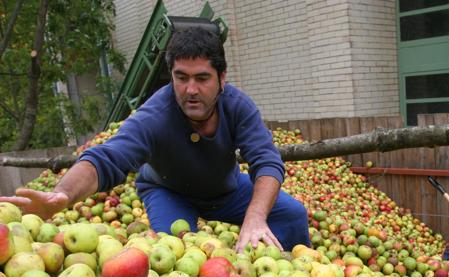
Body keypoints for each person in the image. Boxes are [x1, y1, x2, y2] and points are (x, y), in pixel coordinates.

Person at [0, 27, 310, 253]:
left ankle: (299, 271)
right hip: (169, 191)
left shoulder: (238, 106)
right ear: (171, 76)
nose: (190, 89)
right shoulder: (155, 116)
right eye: (181, 77)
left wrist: (254, 218)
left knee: (293, 214)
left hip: (227, 190)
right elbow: (107, 157)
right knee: (177, 253)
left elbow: (266, 160)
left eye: (202, 78)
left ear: (222, 78)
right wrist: (63, 195)